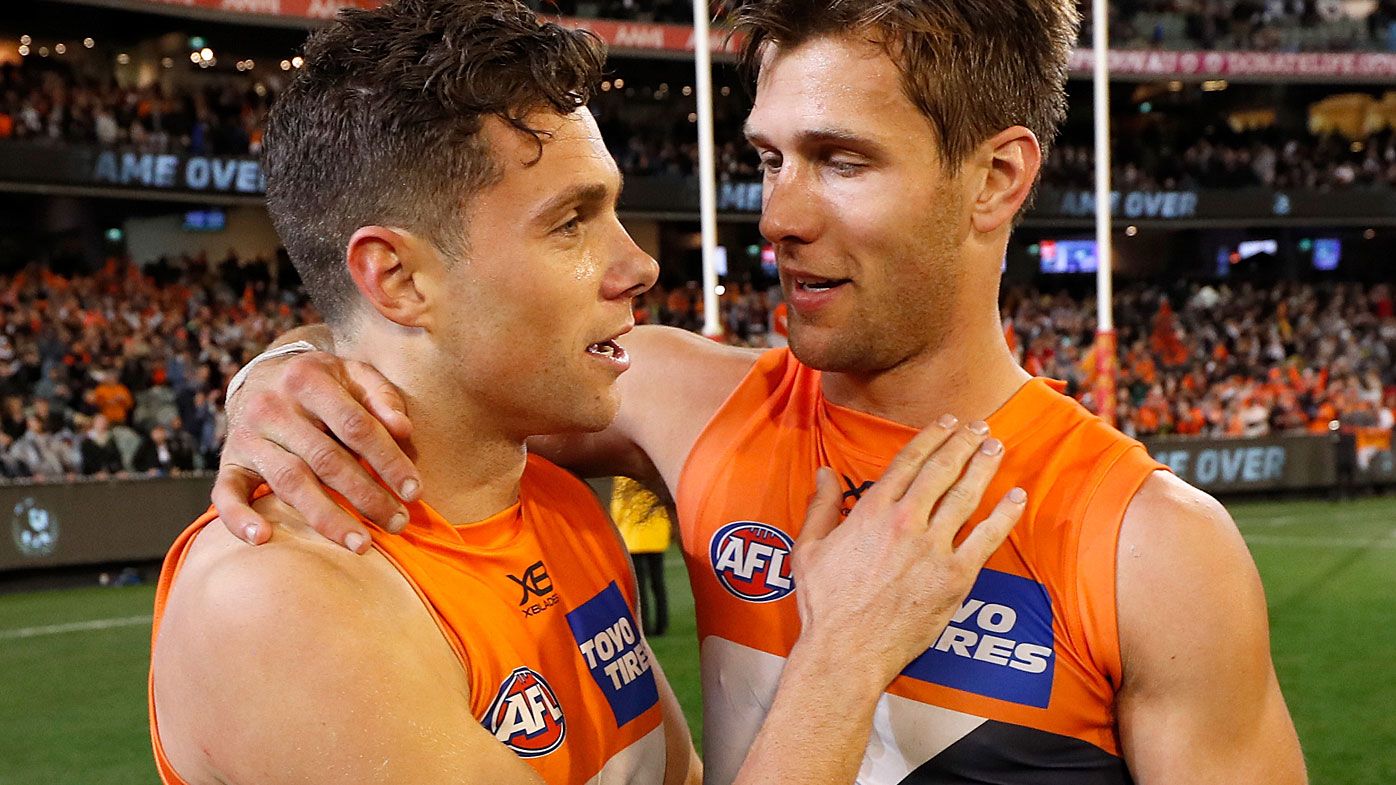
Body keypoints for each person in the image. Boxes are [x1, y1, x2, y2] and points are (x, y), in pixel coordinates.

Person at [214, 0, 1306, 782]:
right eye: (769, 157)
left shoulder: (1150, 545)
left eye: (839, 160)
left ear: (997, 176)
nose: (778, 215)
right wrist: (281, 376)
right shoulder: (679, 399)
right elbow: (433, 344)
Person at [151, 2, 1025, 785]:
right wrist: (843, 656)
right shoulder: (276, 602)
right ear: (398, 278)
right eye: (571, 222)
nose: (637, 264)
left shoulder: (561, 508)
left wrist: (270, 367)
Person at [609, 476, 673, 636]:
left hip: (634, 540)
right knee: (658, 583)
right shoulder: (650, 477)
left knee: (640, 587)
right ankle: (662, 624)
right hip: (656, 536)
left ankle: (644, 626)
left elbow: (618, 509)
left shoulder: (622, 480)